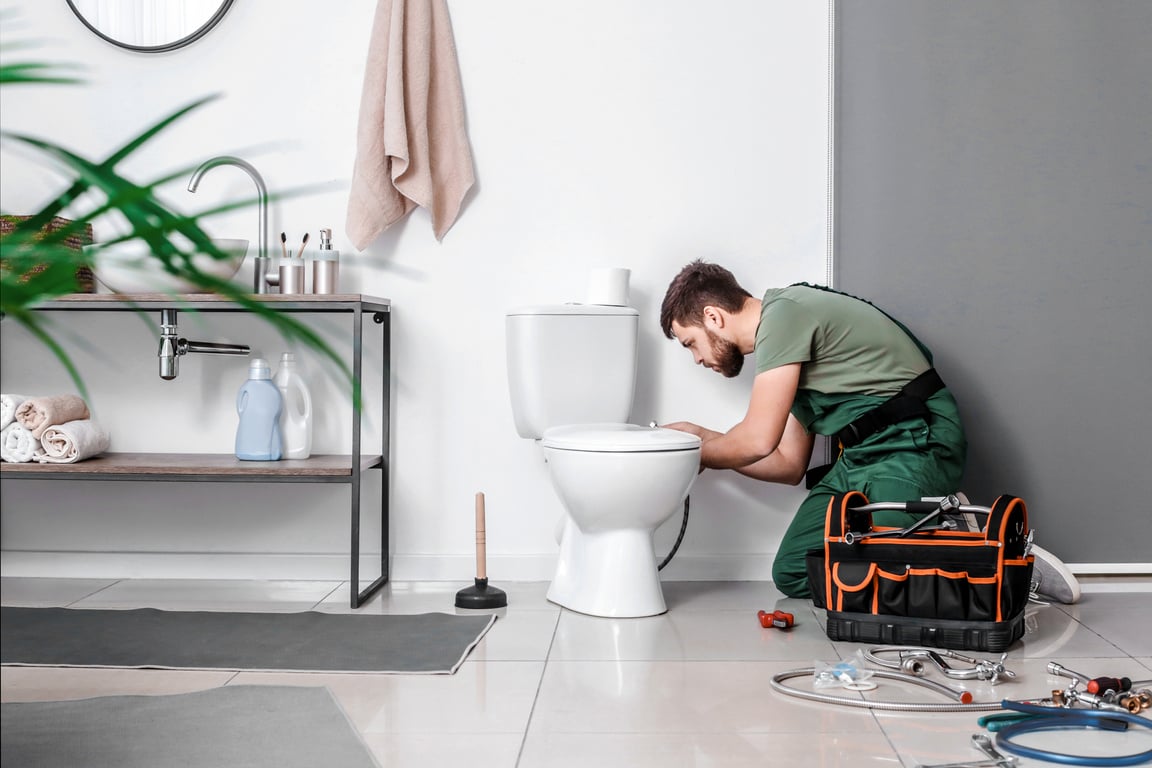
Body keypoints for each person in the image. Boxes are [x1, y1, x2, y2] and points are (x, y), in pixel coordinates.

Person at [658, 260, 1079, 603]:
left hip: (913, 443)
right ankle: (928, 535)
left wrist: (695, 448)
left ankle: (981, 551)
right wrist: (703, 441)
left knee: (893, 560)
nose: (696, 359)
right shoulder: (783, 354)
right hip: (859, 461)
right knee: (793, 570)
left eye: (690, 342)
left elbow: (755, 440)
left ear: (713, 317)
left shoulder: (785, 314)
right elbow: (786, 463)